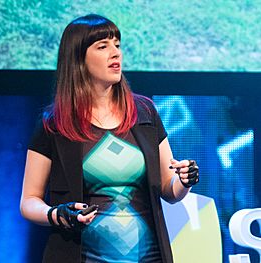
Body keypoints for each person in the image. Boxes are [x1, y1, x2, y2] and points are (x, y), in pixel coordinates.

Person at [20, 14, 199, 263]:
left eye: (117, 44)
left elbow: (170, 190)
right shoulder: (54, 124)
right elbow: (29, 201)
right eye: (103, 46)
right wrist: (57, 214)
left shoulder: (144, 112)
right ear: (78, 58)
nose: (115, 53)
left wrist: (184, 181)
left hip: (149, 257)